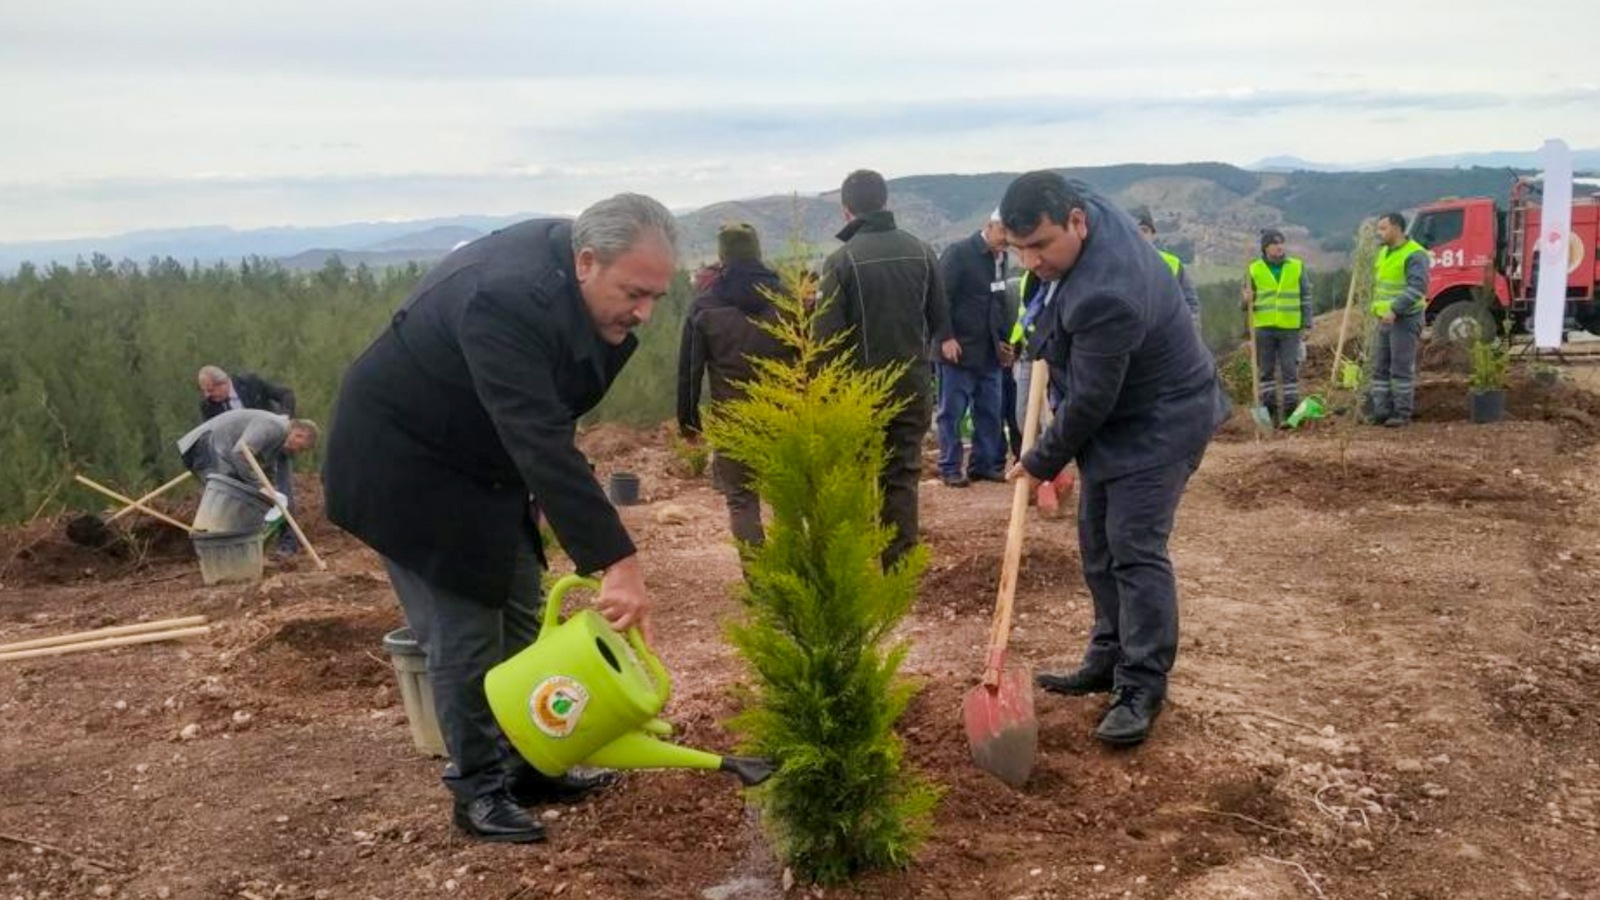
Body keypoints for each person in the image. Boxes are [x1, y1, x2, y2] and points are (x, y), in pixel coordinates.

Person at [323, 194, 676, 844]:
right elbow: (539, 435)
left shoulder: (576, 284)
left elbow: (543, 416)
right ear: (587, 262)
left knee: (519, 608)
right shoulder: (504, 298)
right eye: (634, 292)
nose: (646, 312)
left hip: (480, 458)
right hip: (406, 464)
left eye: (657, 295)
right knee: (465, 626)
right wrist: (616, 561)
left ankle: (532, 761)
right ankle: (478, 790)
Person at [999, 172, 1224, 746]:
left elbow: (1092, 400)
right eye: (1020, 247)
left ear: (1076, 223)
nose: (1031, 261)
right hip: (1121, 415)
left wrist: (1041, 459)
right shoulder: (1082, 205)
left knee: (1133, 547)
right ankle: (1108, 655)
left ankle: (1142, 684)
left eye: (1042, 246)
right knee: (1097, 542)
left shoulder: (1107, 293)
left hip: (1160, 422)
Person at [817, 169, 954, 569]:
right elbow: (940, 319)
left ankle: (857, 570)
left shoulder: (841, 261)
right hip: (912, 385)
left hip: (859, 392)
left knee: (857, 478)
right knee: (902, 476)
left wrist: (827, 397)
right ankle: (899, 568)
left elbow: (827, 340)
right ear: (886, 202)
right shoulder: (922, 251)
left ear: (847, 211)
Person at [676, 223, 785, 547]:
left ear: (722, 257)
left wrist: (689, 422)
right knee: (787, 500)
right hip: (784, 414)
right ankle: (794, 581)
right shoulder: (789, 300)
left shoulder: (705, 306)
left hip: (733, 419)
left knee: (741, 500)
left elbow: (689, 371)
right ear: (758, 252)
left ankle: (759, 587)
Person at [933, 210, 1012, 487]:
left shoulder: (1001, 258)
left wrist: (1004, 341)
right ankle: (950, 467)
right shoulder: (959, 254)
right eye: (1003, 232)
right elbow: (939, 299)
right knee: (952, 412)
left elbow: (998, 302)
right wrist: (945, 337)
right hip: (958, 350)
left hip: (989, 351)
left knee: (990, 410)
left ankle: (984, 464)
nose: (1007, 239)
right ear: (989, 226)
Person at [197, 366, 301, 553]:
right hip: (243, 458)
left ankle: (288, 544)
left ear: (224, 382)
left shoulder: (251, 383)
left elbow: (286, 394)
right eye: (204, 391)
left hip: (273, 446)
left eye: (210, 390)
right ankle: (255, 546)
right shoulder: (208, 406)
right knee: (255, 499)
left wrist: (283, 420)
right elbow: (214, 436)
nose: (207, 395)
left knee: (283, 493)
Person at [1242, 229, 1313, 425]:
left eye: (1281, 242)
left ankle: (1291, 413)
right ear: (1265, 248)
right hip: (1263, 328)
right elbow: (1245, 305)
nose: (1279, 246)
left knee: (1290, 370)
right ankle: (1269, 412)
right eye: (1274, 243)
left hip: (1290, 328)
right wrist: (1246, 299)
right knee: (1265, 371)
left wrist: (1307, 324)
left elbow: (1305, 297)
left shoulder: (1297, 267)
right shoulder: (1253, 269)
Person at [1367, 212, 1431, 427]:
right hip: (1383, 319)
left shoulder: (1415, 254)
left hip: (1405, 318)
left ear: (1397, 228)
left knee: (1400, 367)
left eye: (1383, 228)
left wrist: (1394, 309)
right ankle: (1381, 410)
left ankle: (1402, 413)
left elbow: (1417, 288)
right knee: (1380, 367)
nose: (1380, 232)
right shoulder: (1384, 252)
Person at [1135, 212, 1200, 328]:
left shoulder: (1172, 264)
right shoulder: (1116, 265)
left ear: (1153, 234)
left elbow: (1191, 305)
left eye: (1144, 230)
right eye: (1134, 230)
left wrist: (1190, 338)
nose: (1140, 235)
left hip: (1166, 337)